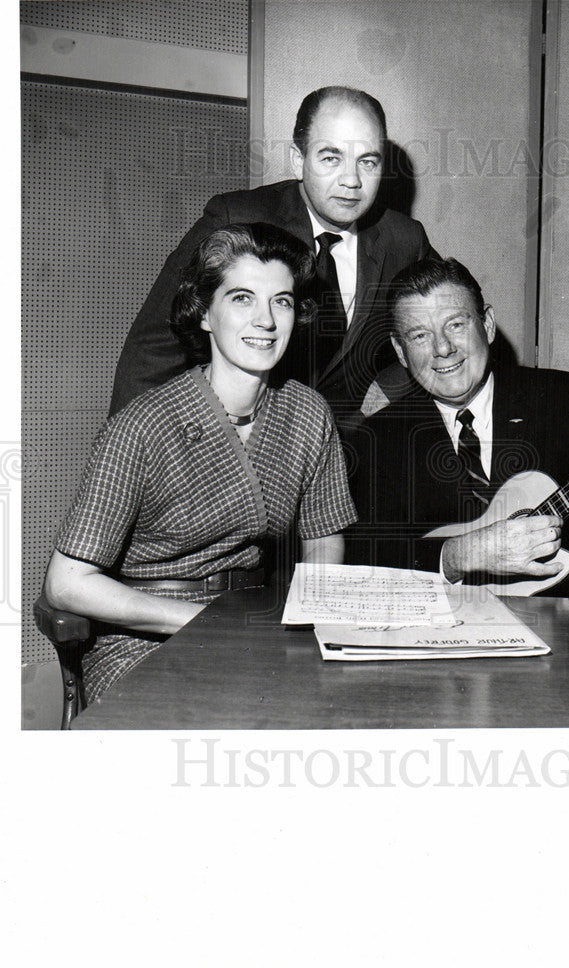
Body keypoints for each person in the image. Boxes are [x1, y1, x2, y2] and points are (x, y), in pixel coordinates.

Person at [45, 224, 357, 703]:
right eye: (242, 299)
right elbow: (67, 585)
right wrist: (202, 622)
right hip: (143, 639)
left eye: (282, 301)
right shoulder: (145, 424)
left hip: (255, 626)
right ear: (206, 313)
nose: (266, 321)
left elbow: (324, 537)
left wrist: (307, 613)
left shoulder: (309, 413)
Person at [347, 256, 569, 600]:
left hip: (567, 630)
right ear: (400, 351)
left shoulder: (566, 401)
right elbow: (358, 565)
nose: (443, 349)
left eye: (456, 325)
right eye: (420, 335)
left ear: (487, 325)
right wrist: (457, 556)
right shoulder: (376, 439)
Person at [109, 86, 435, 425]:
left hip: (346, 452)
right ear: (299, 160)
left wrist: (386, 390)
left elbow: (453, 328)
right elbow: (156, 345)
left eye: (367, 162)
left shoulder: (404, 239)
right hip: (236, 439)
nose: (351, 180)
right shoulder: (237, 218)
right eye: (331, 158)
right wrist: (132, 456)